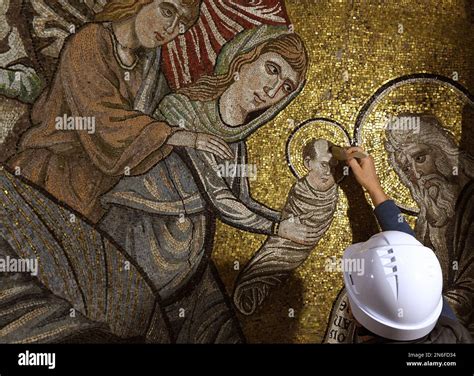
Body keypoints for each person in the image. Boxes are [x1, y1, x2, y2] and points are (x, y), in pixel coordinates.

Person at [99, 25, 313, 343]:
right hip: (135, 237)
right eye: (272, 69)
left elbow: (243, 200)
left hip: (186, 264)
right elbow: (220, 197)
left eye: (285, 87)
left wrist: (283, 220)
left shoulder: (236, 143)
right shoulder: (180, 111)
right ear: (242, 61)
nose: (271, 90)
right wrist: (276, 227)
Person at [6, 0, 234, 223]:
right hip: (47, 179)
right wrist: (180, 136)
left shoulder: (149, 70)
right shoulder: (90, 41)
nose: (171, 29)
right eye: (167, 11)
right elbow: (102, 119)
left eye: (181, 24)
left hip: (94, 198)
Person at [336, 146, 472, 343]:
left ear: (353, 313)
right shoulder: (451, 335)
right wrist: (374, 187)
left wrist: (373, 187)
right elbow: (406, 256)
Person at [385, 113, 474, 335]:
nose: (416, 174)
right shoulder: (428, 218)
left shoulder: (470, 200)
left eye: (420, 158)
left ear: (441, 148)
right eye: (406, 168)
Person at [233, 138, 339, 315]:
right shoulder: (298, 193)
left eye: (333, 165)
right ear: (307, 163)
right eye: (323, 164)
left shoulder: (332, 196)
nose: (328, 172)